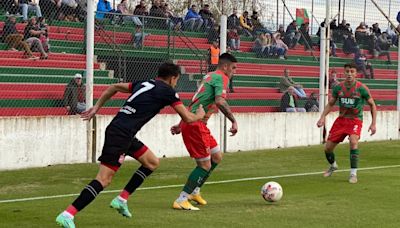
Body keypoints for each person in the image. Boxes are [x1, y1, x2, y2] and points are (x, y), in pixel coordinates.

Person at [56, 62, 205, 227]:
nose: (176, 84)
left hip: (123, 133)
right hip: (120, 135)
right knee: (103, 180)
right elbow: (188, 118)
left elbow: (113, 87)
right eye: (176, 80)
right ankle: (68, 214)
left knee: (152, 162)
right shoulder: (168, 91)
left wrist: (97, 107)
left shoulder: (143, 83)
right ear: (172, 78)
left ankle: (121, 199)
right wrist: (199, 115)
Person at [170, 53, 238, 211]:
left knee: (216, 156)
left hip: (197, 123)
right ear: (225, 66)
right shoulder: (222, 77)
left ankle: (195, 191)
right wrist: (233, 120)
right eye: (233, 68)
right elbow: (220, 101)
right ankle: (182, 199)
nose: (234, 71)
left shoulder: (210, 76)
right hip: (196, 125)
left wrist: (181, 124)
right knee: (205, 165)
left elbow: (196, 101)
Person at [317, 62, 377, 184]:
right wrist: (322, 117)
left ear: (356, 73)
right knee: (327, 148)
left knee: (353, 141)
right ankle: (333, 165)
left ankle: (353, 174)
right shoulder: (338, 88)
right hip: (341, 120)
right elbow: (331, 104)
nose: (349, 74)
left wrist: (373, 123)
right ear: (344, 72)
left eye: (352, 72)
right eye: (347, 71)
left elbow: (372, 105)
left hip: (355, 120)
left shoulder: (362, 88)